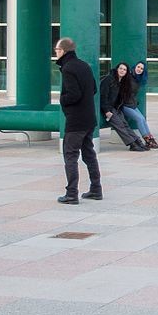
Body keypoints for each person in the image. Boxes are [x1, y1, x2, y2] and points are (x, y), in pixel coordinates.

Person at [55, 37, 101, 204]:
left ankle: (71, 194)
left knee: (70, 155)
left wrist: (62, 100)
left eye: (57, 50)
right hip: (89, 119)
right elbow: (94, 89)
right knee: (89, 154)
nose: (55, 53)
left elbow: (74, 94)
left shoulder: (68, 68)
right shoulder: (84, 65)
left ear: (64, 51)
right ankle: (96, 189)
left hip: (76, 121)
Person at [99, 63, 147, 151]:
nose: (122, 71)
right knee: (119, 125)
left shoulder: (121, 81)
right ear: (117, 69)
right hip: (108, 108)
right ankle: (132, 144)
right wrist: (107, 111)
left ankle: (137, 141)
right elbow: (103, 96)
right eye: (120, 68)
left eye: (124, 70)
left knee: (125, 124)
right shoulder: (109, 79)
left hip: (116, 107)